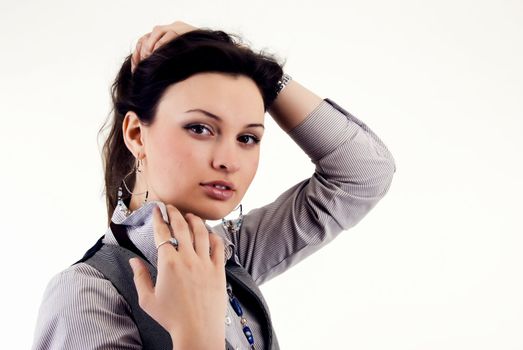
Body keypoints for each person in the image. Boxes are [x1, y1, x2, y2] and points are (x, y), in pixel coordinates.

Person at [32, 21, 396, 350]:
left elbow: (363, 172)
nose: (229, 160)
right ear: (135, 134)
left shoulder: (227, 254)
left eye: (248, 137)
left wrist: (265, 76)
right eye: (200, 128)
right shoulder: (87, 293)